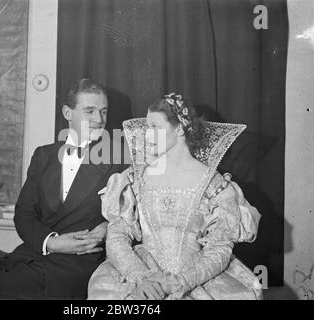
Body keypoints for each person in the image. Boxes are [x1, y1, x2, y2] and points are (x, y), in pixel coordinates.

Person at [88, 93, 262, 300]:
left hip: (196, 280)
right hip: (144, 277)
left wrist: (181, 282)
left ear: (179, 128)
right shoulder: (135, 178)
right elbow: (116, 236)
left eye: (155, 127)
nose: (147, 135)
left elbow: (219, 249)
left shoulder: (215, 185)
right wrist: (141, 277)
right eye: (147, 127)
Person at [0, 79, 129, 299]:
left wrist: (105, 228)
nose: (99, 120)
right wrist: (51, 242)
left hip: (75, 265)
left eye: (103, 112)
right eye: (89, 111)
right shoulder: (44, 155)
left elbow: (130, 215)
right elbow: (24, 215)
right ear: (67, 112)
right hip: (34, 253)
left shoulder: (118, 157)